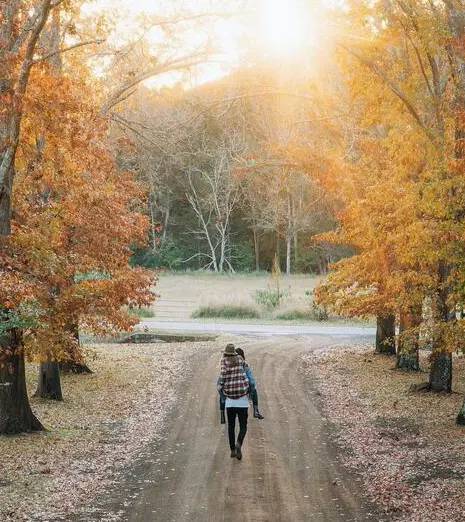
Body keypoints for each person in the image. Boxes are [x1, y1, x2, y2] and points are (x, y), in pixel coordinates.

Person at [217, 343, 250, 460]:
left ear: (226, 352)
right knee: (243, 426)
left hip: (230, 400)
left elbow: (223, 376)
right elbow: (247, 368)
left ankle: (232, 450)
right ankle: (239, 444)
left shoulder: (224, 361)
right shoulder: (240, 359)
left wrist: (220, 387)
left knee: (231, 426)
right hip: (242, 399)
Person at [218, 347, 264, 423]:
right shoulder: (243, 363)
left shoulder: (227, 362)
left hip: (229, 384)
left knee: (220, 388)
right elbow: (251, 381)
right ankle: (256, 410)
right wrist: (250, 392)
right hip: (242, 386)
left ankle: (222, 413)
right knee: (253, 386)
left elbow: (223, 374)